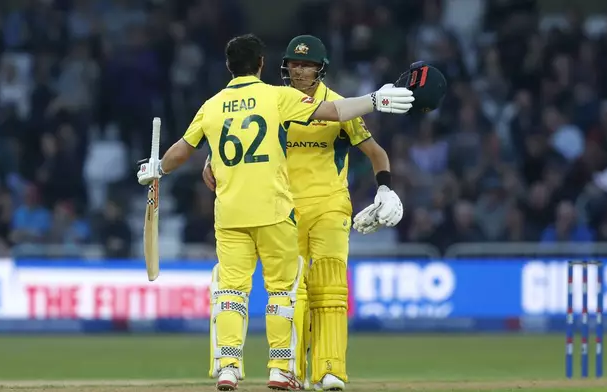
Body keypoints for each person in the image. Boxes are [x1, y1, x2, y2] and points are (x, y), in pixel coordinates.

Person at [137, 33, 414, 391]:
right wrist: (375, 99)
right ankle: (284, 370)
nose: (299, 70)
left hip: (267, 208)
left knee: (249, 292)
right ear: (266, 65)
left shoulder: (213, 104)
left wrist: (158, 167)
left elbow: (184, 149)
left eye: (307, 64)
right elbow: (332, 112)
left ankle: (244, 367)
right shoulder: (277, 97)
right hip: (280, 209)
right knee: (286, 292)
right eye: (294, 64)